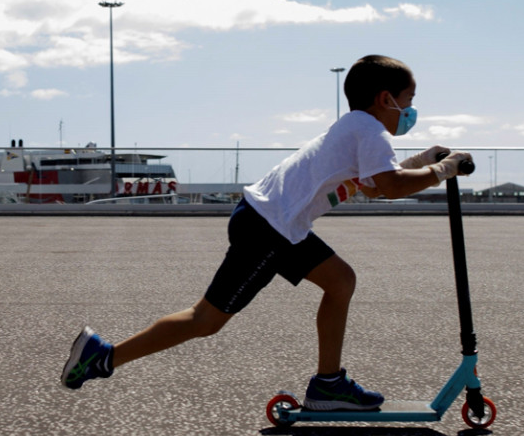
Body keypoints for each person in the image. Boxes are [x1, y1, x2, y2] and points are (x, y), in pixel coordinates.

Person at [61, 54, 473, 411]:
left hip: (275, 224)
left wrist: (424, 160)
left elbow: (375, 184)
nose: (410, 111)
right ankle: (102, 357)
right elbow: (391, 186)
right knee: (206, 319)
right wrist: (442, 170)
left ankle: (328, 383)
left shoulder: (356, 128)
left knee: (341, 280)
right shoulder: (370, 131)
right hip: (269, 229)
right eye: (409, 102)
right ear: (386, 99)